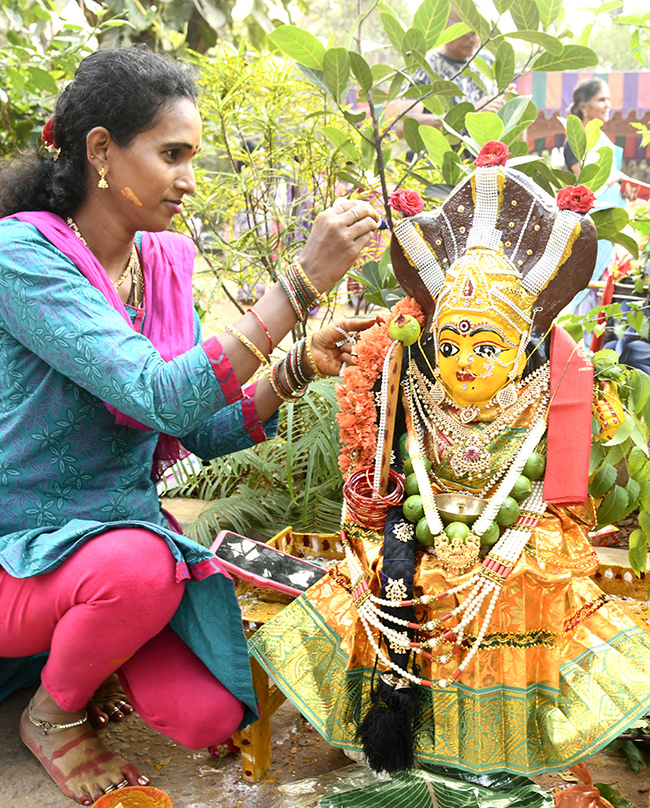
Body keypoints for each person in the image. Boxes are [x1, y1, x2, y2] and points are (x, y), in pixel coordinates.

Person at [0, 46, 380, 806]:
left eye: (192, 157)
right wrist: (299, 284)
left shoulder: (161, 265)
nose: (188, 179)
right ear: (101, 150)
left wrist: (297, 365)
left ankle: (86, 653)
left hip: (113, 539)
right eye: (172, 154)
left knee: (207, 716)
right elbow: (159, 394)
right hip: (24, 552)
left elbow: (200, 429)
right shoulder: (23, 257)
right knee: (140, 571)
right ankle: (50, 713)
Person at [249, 146, 650, 788]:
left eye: (486, 345)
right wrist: (384, 521)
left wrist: (504, 548)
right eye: (453, 342)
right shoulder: (412, 382)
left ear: (523, 344)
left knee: (511, 592)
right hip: (417, 531)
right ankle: (406, 746)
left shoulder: (557, 392)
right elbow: (388, 479)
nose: (463, 361)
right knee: (383, 582)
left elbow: (556, 500)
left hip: (515, 544)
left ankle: (498, 752)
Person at [563, 77, 632, 315]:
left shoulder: (603, 140)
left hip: (612, 226)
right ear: (583, 106)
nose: (607, 105)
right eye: (601, 99)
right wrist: (615, 177)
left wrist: (624, 186)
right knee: (587, 290)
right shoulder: (575, 142)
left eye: (609, 100)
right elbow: (586, 189)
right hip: (593, 226)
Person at [394, 9, 513, 141]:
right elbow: (402, 125)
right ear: (445, 25)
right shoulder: (423, 69)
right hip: (445, 160)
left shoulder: (487, 61)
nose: (475, 39)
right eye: (468, 32)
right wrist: (468, 114)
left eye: (479, 31)